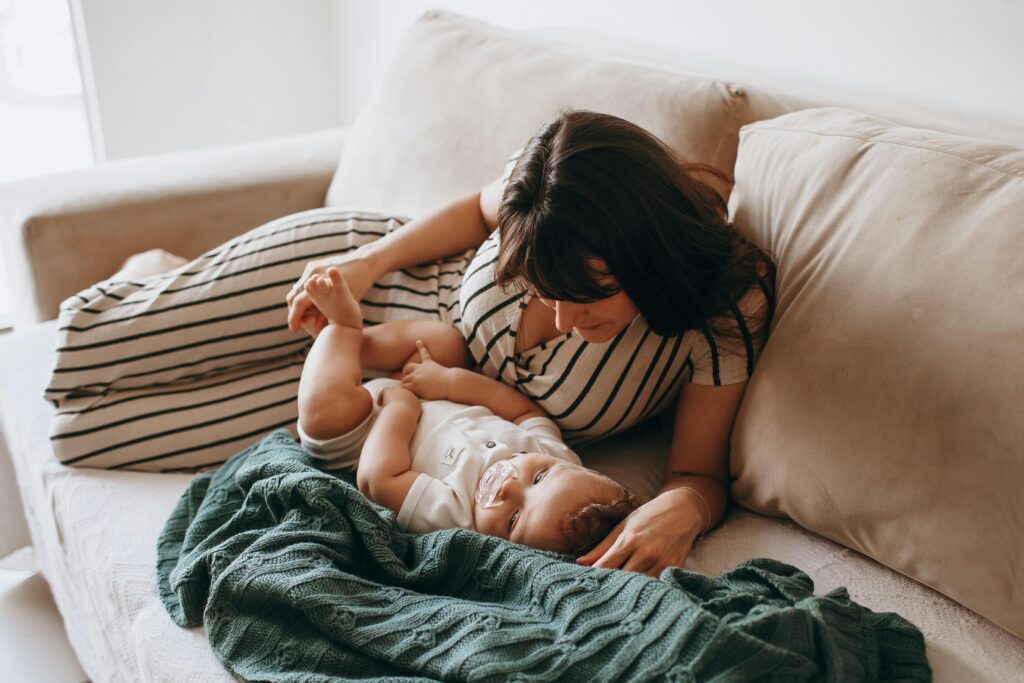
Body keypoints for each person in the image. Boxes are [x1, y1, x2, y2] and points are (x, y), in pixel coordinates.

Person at [286, 109, 775, 576]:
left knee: (229, 430)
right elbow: (477, 216)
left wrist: (684, 508)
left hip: (383, 415)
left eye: (586, 298)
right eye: (543, 290)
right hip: (389, 283)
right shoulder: (548, 185)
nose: (562, 320)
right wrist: (369, 261)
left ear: (650, 261)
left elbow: (698, 473)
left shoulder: (722, 314)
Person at [297, 265, 637, 553]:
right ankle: (347, 350)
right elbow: (521, 411)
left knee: (326, 413)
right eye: (538, 476)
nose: (509, 487)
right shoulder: (555, 454)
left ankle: (342, 330)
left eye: (514, 518)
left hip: (364, 432)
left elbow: (379, 479)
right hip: (425, 386)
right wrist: (449, 382)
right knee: (444, 342)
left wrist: (399, 410)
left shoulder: (455, 515)